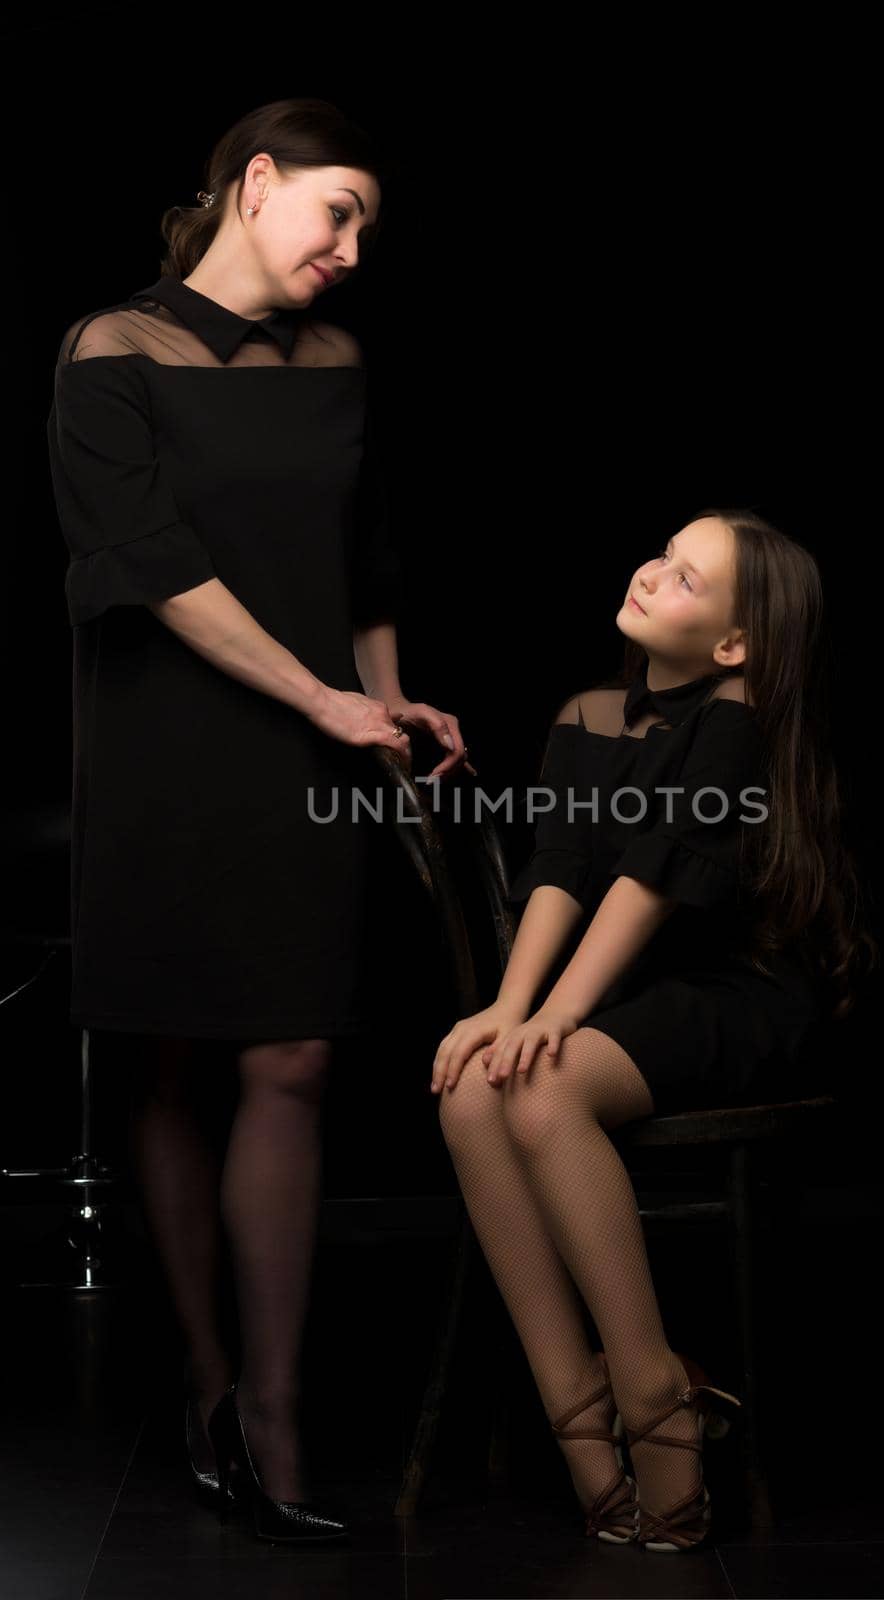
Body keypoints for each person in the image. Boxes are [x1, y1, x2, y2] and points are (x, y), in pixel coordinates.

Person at [45, 98, 471, 1544]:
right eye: (335, 212)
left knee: (288, 1057)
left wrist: (392, 710)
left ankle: (276, 1408)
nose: (352, 250)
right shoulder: (113, 351)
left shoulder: (338, 361)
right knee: (169, 1059)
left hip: (314, 738)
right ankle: (208, 1381)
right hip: (175, 743)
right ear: (256, 183)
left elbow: (367, 558)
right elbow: (148, 564)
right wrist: (324, 702)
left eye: (368, 228)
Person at [431, 508, 878, 1553]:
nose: (650, 572)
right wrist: (510, 1004)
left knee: (539, 1083)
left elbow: (648, 878)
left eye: (684, 577)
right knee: (470, 1084)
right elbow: (560, 869)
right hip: (637, 992)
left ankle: (652, 1397)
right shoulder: (587, 712)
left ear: (730, 642)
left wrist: (558, 1015)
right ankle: (574, 1407)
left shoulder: (735, 713)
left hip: (740, 990)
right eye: (661, 554)